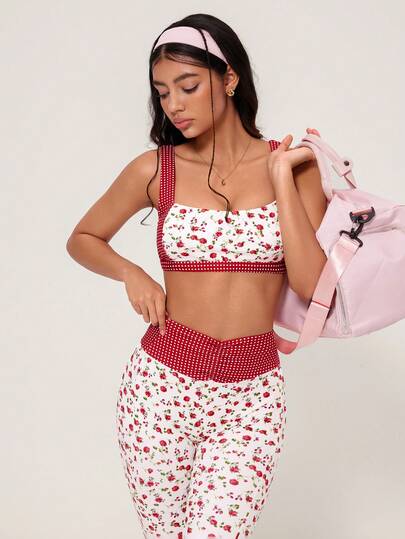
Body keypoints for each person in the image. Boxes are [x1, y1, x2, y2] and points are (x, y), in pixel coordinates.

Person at [66, 12, 327, 539]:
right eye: (162, 93)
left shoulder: (296, 166)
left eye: (187, 87)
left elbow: (312, 285)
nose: (174, 105)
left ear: (229, 78)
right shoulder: (155, 170)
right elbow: (83, 238)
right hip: (160, 387)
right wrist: (132, 273)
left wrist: (280, 176)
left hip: (251, 395)